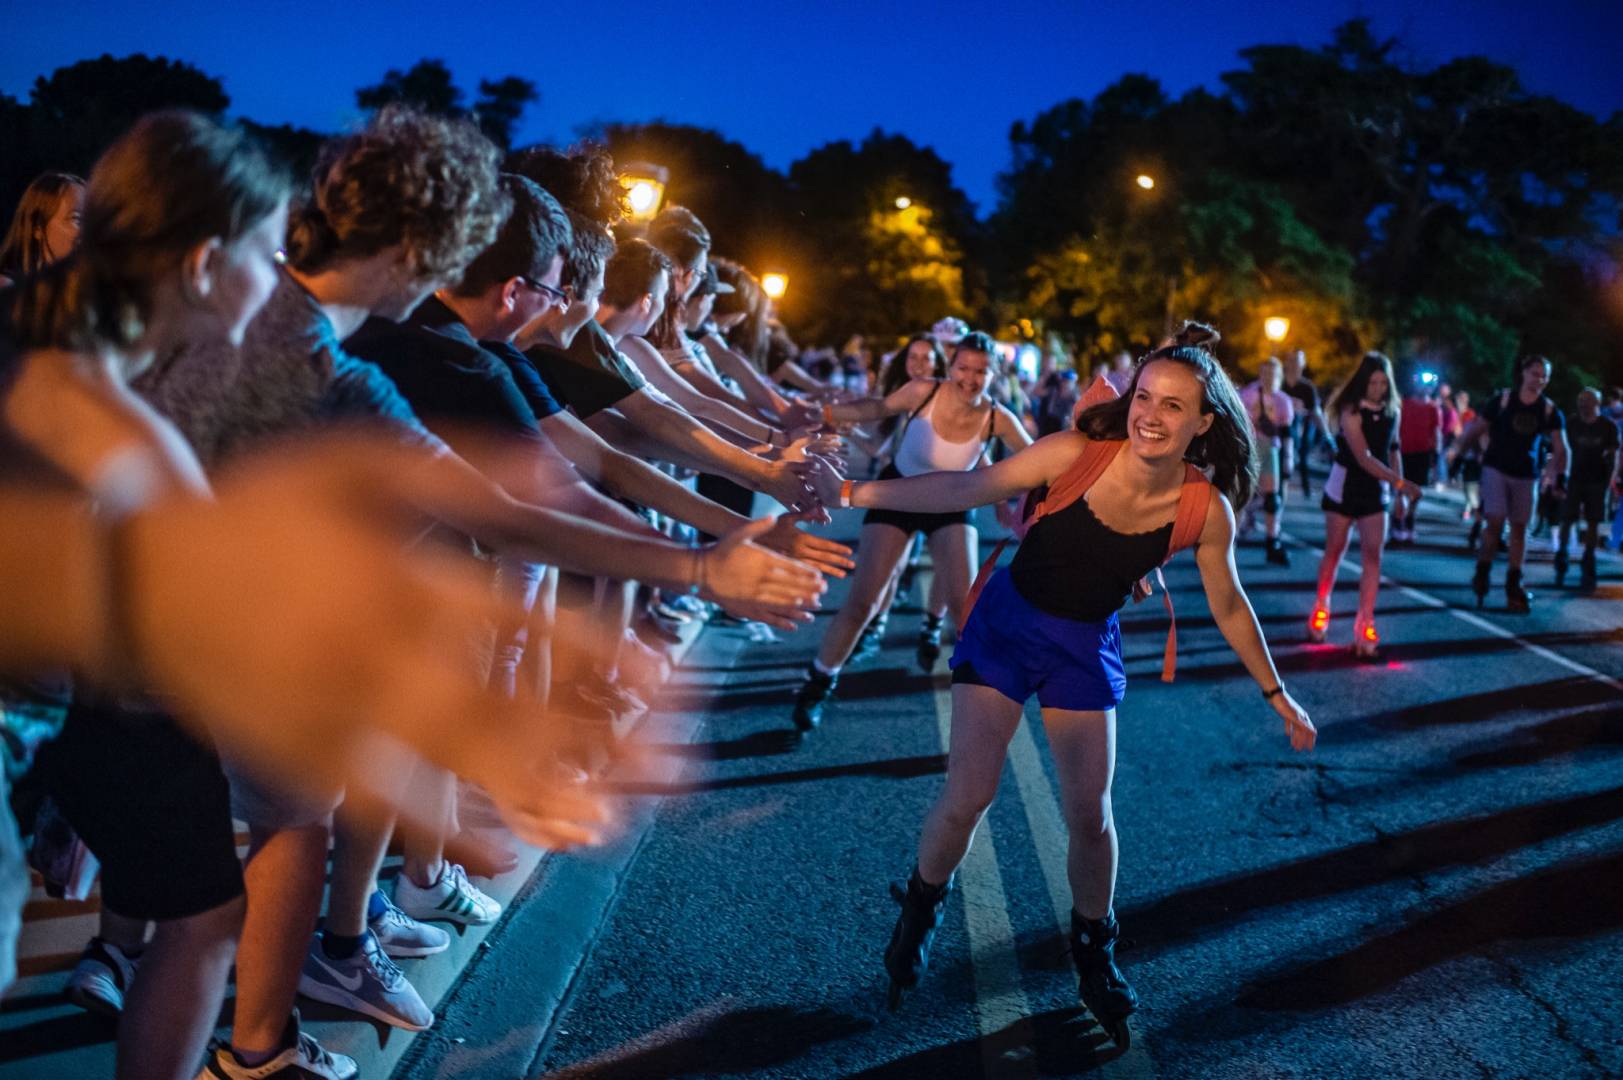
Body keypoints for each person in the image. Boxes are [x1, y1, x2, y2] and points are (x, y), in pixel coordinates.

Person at [810, 322, 1315, 1043]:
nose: (1150, 413)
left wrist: (1277, 695)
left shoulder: (1205, 510)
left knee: (1090, 815)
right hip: (1008, 627)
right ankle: (921, 906)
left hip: (1082, 646)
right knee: (968, 797)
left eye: (1174, 406)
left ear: (1204, 423)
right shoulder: (1075, 452)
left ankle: (1093, 952)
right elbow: (965, 484)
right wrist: (853, 489)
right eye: (1145, 396)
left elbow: (1229, 604)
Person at [791, 332, 1031, 731]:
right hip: (897, 494)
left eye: (981, 372)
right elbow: (877, 408)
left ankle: (982, 706)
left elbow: (1040, 459)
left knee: (966, 609)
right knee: (863, 600)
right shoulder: (923, 391)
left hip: (950, 506)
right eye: (963, 368)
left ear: (995, 375)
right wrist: (831, 415)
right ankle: (817, 683)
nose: (970, 379)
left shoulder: (998, 418)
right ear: (951, 365)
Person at [1308, 351, 1417, 659]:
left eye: (1383, 383)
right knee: (1335, 549)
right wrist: (1399, 484)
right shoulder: (1351, 409)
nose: (1378, 388)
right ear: (1362, 381)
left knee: (1373, 555)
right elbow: (1363, 457)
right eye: (1373, 382)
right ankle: (1321, 606)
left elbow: (1393, 448)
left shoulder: (1394, 410)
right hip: (1345, 486)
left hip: (1376, 490)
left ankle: (1364, 622)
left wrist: (1399, 492)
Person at [1450, 355, 1569, 612]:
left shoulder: (1548, 410)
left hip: (1526, 474)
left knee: (1519, 527)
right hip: (1497, 468)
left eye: (1544, 376)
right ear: (1524, 373)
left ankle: (1514, 582)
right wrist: (1459, 455)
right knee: (1495, 519)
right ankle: (1483, 570)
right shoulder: (1503, 401)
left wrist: (1560, 476)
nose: (1539, 379)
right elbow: (1476, 429)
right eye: (1535, 373)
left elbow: (1561, 448)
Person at [1555, 388, 1618, 590]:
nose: (1583, 404)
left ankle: (1588, 560)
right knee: (1567, 519)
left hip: (1596, 480)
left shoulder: (1608, 426)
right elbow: (1561, 450)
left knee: (1593, 522)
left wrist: (1610, 481)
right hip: (1573, 479)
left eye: (1588, 400)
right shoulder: (1571, 423)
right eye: (1581, 400)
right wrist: (1558, 476)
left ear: (1597, 403)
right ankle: (1562, 555)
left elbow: (1614, 455)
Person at [1239, 357, 1294, 565]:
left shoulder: (1283, 401)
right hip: (1250, 447)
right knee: (1241, 495)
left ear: (1279, 376)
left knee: (1273, 499)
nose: (1269, 378)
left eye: (1273, 374)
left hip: (1270, 449)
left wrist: (1289, 458)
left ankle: (1273, 541)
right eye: (1265, 373)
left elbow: (1287, 432)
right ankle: (1230, 539)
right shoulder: (1249, 394)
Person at [0, 171, 84, 286]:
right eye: (76, 219)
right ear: (37, 227)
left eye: (91, 220)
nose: (88, 230)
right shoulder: (8, 288)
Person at [1392, 378, 1443, 543]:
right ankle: (1397, 521)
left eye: (1429, 386)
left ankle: (1409, 520)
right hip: (1402, 452)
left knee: (1416, 491)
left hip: (1422, 453)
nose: (1425, 388)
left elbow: (1436, 431)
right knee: (1401, 487)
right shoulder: (1403, 404)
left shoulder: (1433, 408)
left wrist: (1436, 453)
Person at [1281, 350, 1326, 497]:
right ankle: (1278, 487)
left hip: (1302, 427)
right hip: (1281, 428)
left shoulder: (1307, 387)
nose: (1294, 364)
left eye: (1297, 361)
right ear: (1286, 362)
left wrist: (1326, 435)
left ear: (1303, 364)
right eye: (1291, 360)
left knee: (1303, 455)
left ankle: (1305, 488)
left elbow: (1315, 412)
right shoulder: (1279, 383)